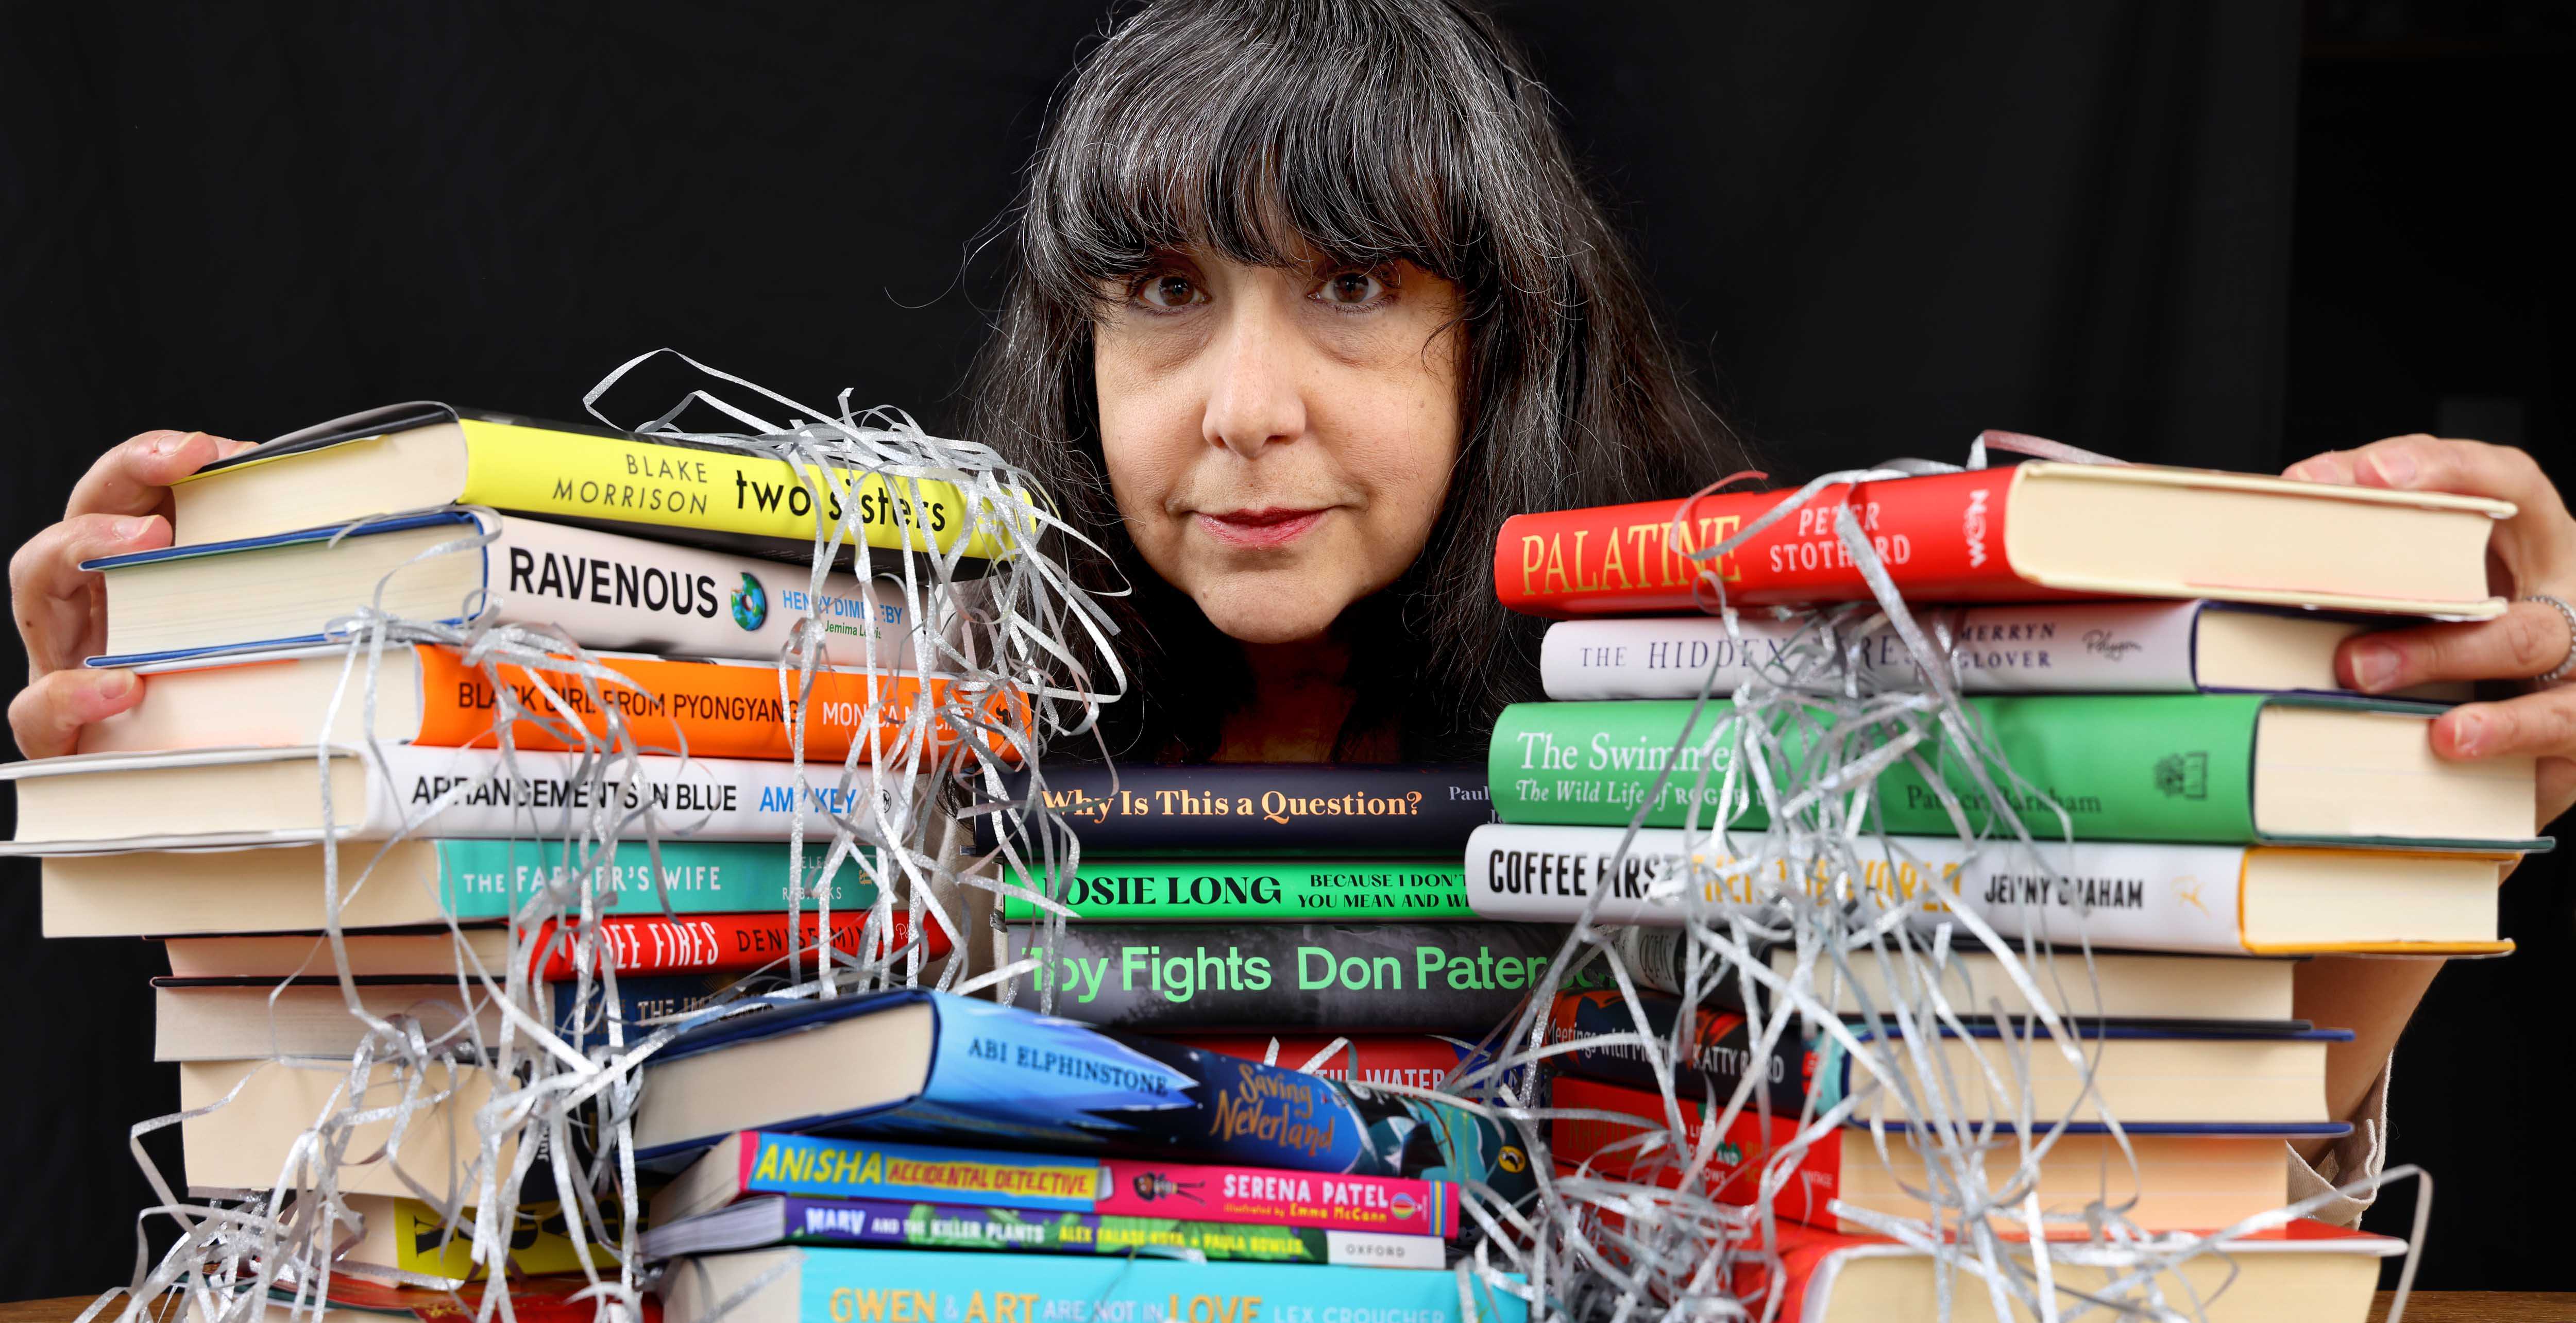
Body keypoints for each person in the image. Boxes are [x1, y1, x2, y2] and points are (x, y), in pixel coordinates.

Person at [10, 0, 2571, 1164]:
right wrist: (246, 798)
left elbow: (2177, 1218)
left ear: (1507, 346)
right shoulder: (884, 760)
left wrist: (2378, 811)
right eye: (1156, 298)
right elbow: (497, 1188)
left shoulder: (1762, 742)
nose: (1235, 402)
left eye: (1347, 288)